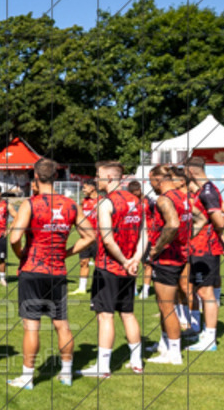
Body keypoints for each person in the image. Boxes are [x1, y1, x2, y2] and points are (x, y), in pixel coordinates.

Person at [8, 158, 96, 389]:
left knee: (31, 326)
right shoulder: (71, 204)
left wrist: (21, 254)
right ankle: (66, 373)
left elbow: (14, 237)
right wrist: (65, 253)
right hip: (57, 271)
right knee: (62, 324)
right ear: (56, 177)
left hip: (32, 270)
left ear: (36, 177)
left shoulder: (30, 204)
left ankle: (27, 377)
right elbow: (90, 236)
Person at [81, 162, 144, 378]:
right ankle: (137, 361)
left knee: (105, 316)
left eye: (98, 175)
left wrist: (125, 261)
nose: (95, 179)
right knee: (128, 314)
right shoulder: (137, 202)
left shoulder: (106, 203)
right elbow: (144, 235)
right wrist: (135, 260)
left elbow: (108, 241)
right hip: (129, 268)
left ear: (109, 178)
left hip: (109, 267)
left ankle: (103, 366)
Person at [143, 165, 193, 366]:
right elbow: (198, 219)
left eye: (151, 181)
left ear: (158, 179)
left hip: (167, 259)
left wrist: (156, 248)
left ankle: (174, 353)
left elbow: (172, 224)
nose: (151, 185)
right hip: (180, 255)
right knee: (164, 305)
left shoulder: (164, 199)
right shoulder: (184, 196)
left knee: (166, 306)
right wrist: (186, 241)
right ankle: (164, 346)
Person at [185, 157, 224, 351]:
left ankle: (210, 340)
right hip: (201, 247)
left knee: (206, 292)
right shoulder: (205, 190)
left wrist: (214, 234)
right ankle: (206, 333)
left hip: (204, 248)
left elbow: (221, 219)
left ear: (191, 171)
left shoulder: (207, 192)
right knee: (202, 291)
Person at [70, 180, 99, 295]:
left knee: (99, 264)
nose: (83, 190)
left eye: (85, 187)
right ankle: (82, 288)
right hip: (85, 238)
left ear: (92, 188)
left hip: (98, 238)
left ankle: (100, 287)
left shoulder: (102, 201)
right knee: (83, 262)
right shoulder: (84, 201)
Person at [130, 180, 154, 299]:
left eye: (136, 192)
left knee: (147, 264)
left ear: (140, 190)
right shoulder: (129, 202)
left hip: (147, 236)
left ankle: (145, 290)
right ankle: (133, 288)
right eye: (133, 193)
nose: (135, 195)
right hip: (132, 237)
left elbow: (156, 217)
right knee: (133, 263)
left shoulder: (149, 201)